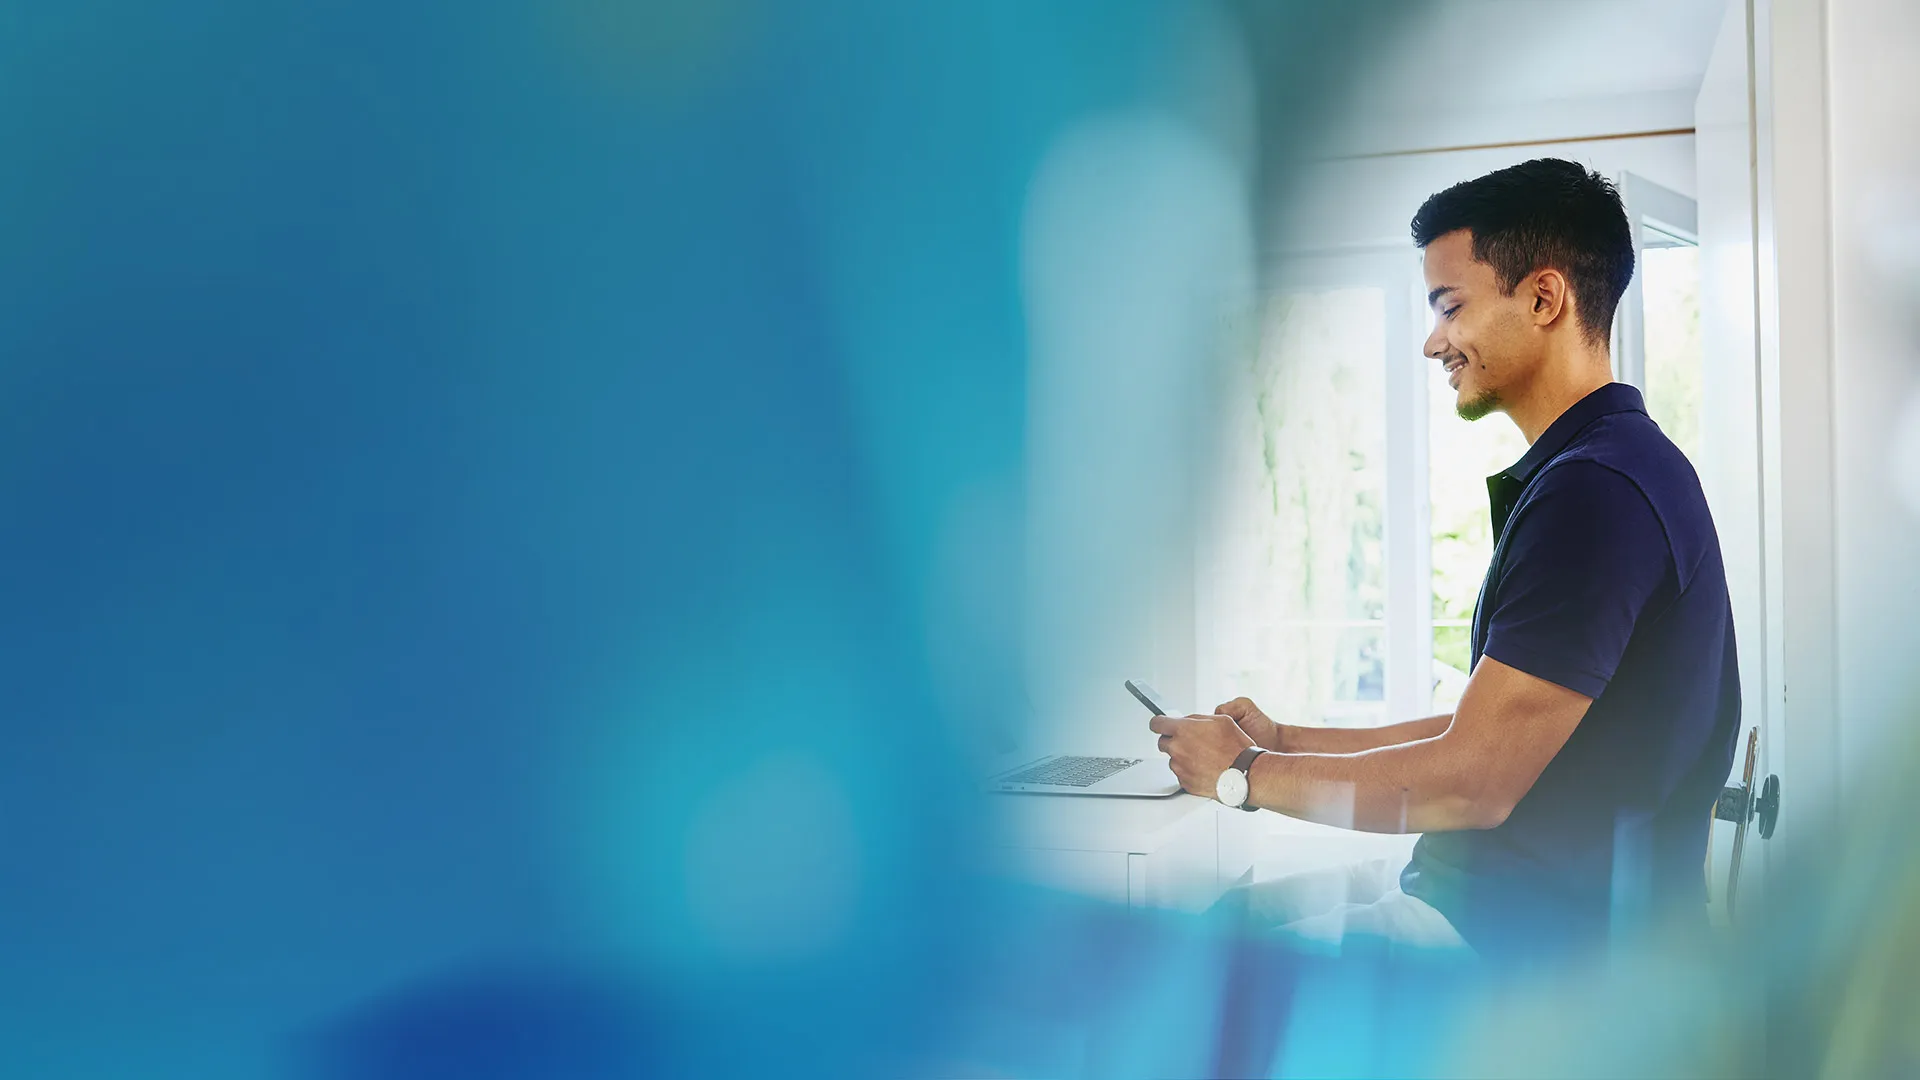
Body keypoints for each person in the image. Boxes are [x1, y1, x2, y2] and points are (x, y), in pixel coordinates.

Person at [1153, 158, 1741, 962]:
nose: (1434, 342)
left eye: (1449, 306)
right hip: (1487, 908)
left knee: (1183, 969)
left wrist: (1244, 774)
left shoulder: (1595, 495)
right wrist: (1285, 738)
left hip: (1519, 952)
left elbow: (1472, 779)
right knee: (1217, 921)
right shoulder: (1609, 470)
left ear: (1543, 298)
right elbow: (1488, 732)